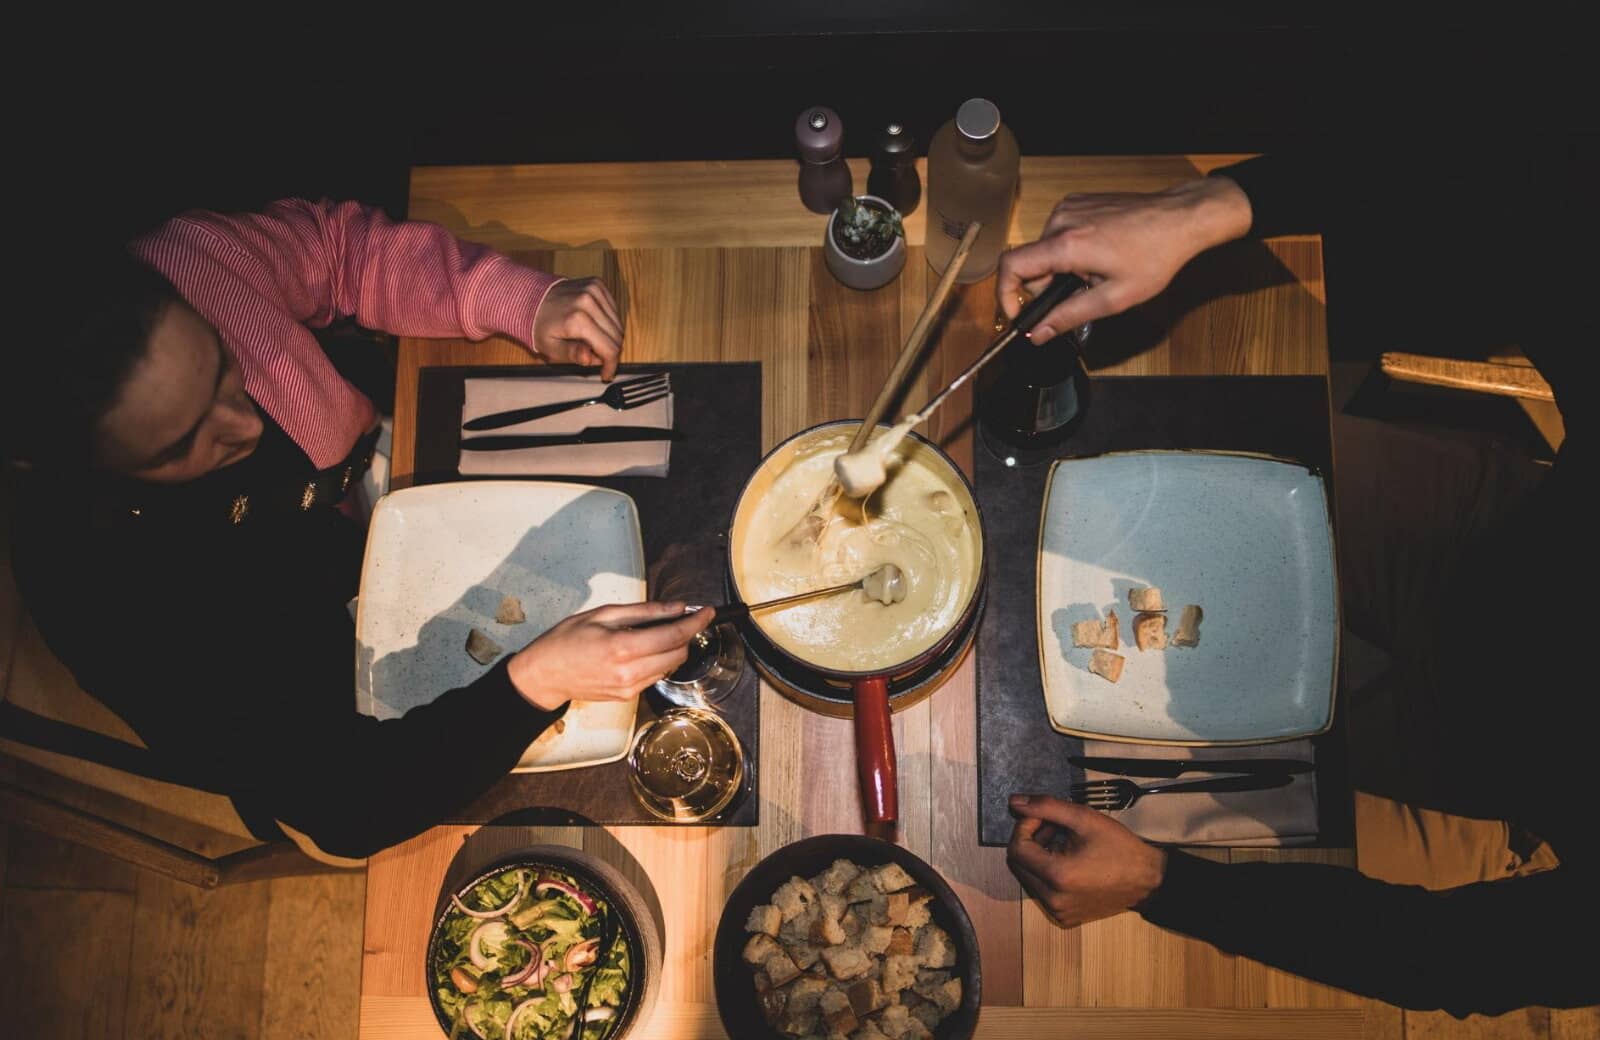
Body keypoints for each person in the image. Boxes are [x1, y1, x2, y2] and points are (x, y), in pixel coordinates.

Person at [995, 148, 1597, 1016]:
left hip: (1483, 751)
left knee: (1181, 797)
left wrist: (1160, 884)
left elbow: (1459, 958)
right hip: (1485, 532)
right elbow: (1527, 192)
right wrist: (1204, 208)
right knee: (1165, 441)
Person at [2, 199, 711, 860]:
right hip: (346, 717)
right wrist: (538, 678)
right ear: (71, 469)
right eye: (181, 445)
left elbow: (344, 256)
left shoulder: (194, 260)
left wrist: (517, 299)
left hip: (379, 486)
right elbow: (346, 801)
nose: (249, 425)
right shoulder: (104, 599)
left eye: (224, 365)